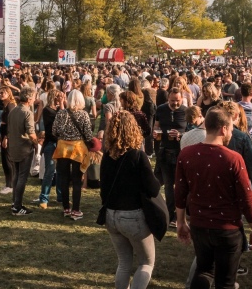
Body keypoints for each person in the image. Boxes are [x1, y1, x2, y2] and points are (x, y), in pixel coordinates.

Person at [174, 107, 252, 289]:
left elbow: (180, 192)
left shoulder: (186, 154)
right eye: (231, 128)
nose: (231, 132)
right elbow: (247, 198)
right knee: (226, 282)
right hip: (227, 228)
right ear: (223, 129)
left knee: (204, 271)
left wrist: (181, 221)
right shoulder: (233, 158)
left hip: (200, 224)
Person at [100, 110, 161, 289]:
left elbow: (103, 188)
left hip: (111, 215)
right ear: (133, 130)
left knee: (124, 263)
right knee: (146, 263)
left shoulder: (108, 155)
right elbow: (154, 188)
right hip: (132, 216)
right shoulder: (137, 156)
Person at [53, 89, 95, 220]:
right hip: (77, 148)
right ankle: (76, 209)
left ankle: (66, 208)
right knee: (77, 180)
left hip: (63, 148)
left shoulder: (61, 113)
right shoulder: (83, 115)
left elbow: (54, 131)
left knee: (63, 178)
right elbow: (88, 134)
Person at [154, 88, 187, 227]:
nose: (175, 103)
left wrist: (180, 136)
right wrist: (155, 133)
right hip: (165, 151)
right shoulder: (161, 109)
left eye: (177, 100)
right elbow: (156, 126)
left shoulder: (186, 111)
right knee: (168, 184)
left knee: (180, 184)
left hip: (181, 152)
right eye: (172, 100)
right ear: (168, 98)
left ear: (182, 99)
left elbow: (192, 130)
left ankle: (181, 215)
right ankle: (169, 214)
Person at [7, 86, 38, 216]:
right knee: (22, 178)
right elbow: (31, 133)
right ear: (30, 99)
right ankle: (17, 206)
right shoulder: (27, 112)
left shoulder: (13, 110)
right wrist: (36, 143)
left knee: (16, 176)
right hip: (24, 148)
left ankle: (15, 202)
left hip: (13, 147)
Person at [35, 88, 61, 207]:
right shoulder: (47, 110)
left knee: (61, 172)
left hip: (60, 144)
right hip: (51, 143)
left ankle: (60, 197)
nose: (60, 99)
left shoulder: (59, 109)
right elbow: (58, 119)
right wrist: (61, 105)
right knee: (50, 171)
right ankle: (44, 198)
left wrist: (61, 105)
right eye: (58, 97)